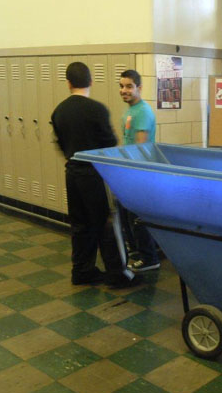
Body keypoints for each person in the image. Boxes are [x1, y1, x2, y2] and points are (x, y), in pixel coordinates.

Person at [51, 62, 136, 288]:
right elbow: (109, 143)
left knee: (80, 225)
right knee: (105, 223)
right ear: (90, 81)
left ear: (68, 83)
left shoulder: (59, 110)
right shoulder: (97, 109)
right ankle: (117, 275)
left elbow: (60, 142)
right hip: (94, 173)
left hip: (73, 171)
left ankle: (82, 271)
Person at [118, 69, 161, 272]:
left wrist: (130, 173)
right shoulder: (129, 111)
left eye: (128, 86)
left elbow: (140, 147)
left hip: (138, 173)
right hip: (129, 172)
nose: (124, 90)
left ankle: (150, 258)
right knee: (127, 216)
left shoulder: (142, 111)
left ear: (139, 88)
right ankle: (138, 253)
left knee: (137, 217)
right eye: (121, 86)